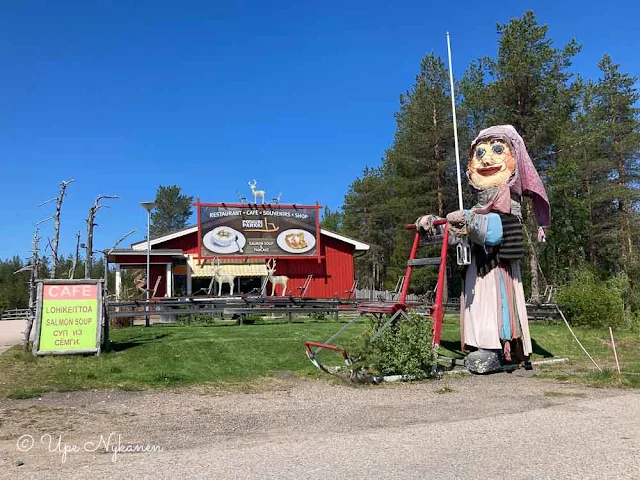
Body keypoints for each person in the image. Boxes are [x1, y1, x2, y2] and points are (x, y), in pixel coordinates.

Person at [416, 125, 550, 373]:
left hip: (497, 271)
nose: (487, 159)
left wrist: (468, 220)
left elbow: (494, 232)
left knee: (494, 308)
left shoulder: (509, 208)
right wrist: (432, 225)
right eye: (480, 153)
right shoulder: (477, 209)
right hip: (476, 270)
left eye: (498, 150)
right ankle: (480, 344)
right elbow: (455, 234)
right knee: (477, 308)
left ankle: (497, 347)